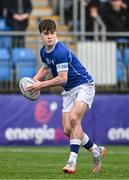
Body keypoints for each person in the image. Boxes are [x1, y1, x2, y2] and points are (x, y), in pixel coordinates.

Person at [27, 19, 106, 174]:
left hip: (84, 85)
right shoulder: (44, 51)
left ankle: (71, 162)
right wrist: (33, 82)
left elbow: (62, 78)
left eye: (52, 33)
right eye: (46, 34)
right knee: (68, 130)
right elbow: (45, 67)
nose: (49, 36)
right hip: (69, 91)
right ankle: (96, 150)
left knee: (75, 118)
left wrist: (40, 85)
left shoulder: (60, 51)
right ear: (41, 37)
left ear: (55, 33)